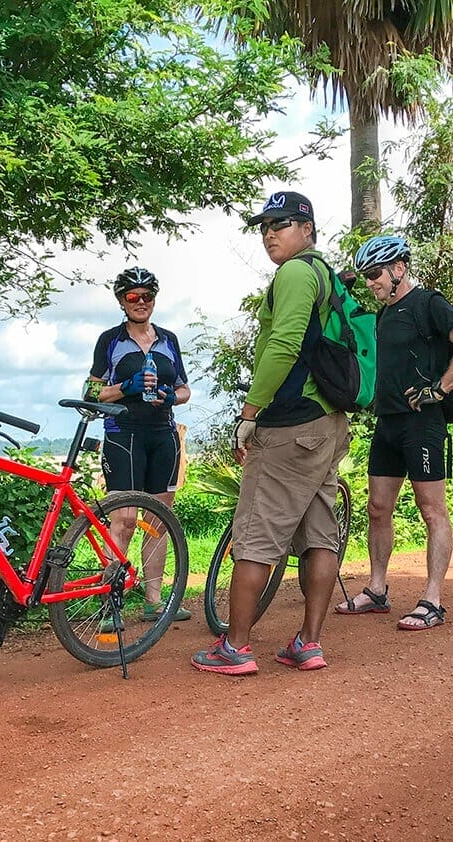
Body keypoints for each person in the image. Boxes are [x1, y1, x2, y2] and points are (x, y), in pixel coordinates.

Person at [191, 191, 350, 675]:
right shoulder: (326, 274)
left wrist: (249, 412)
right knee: (320, 535)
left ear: (307, 229)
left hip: (290, 426)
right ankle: (308, 643)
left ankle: (235, 647)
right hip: (327, 423)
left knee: (257, 534)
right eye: (264, 226)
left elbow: (283, 344)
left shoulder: (297, 272)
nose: (269, 234)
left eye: (280, 224)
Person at [334, 235, 453, 630]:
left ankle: (432, 600)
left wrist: (440, 390)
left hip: (422, 424)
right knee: (377, 508)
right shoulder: (384, 314)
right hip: (388, 422)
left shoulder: (429, 303)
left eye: (375, 274)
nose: (371, 282)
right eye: (366, 276)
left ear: (399, 268)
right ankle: (377, 590)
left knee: (431, 509)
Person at [85, 266, 193, 624]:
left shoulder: (168, 340)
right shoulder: (110, 340)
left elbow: (184, 389)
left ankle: (154, 602)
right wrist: (125, 387)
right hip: (124, 434)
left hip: (162, 434)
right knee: (125, 520)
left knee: (157, 521)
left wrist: (170, 397)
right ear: (122, 301)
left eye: (147, 296)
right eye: (133, 296)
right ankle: (109, 603)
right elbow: (91, 392)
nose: (141, 302)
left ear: (154, 300)